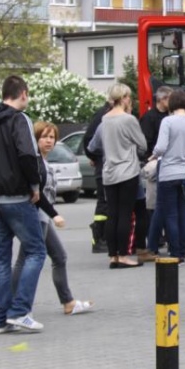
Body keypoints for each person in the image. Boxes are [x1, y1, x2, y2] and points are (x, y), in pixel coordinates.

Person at [0, 75, 47, 333]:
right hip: (16, 197)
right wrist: (35, 185)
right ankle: (20, 310)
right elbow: (27, 154)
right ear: (23, 93)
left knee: (0, 259)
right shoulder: (20, 120)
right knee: (36, 251)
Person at [12, 122, 94, 314]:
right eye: (44, 137)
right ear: (35, 139)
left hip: (43, 217)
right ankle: (14, 304)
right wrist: (54, 215)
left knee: (59, 256)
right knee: (26, 259)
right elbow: (36, 194)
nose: (49, 141)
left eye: (52, 137)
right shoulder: (35, 162)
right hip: (36, 217)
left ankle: (68, 302)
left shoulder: (44, 162)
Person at [88, 83, 146, 269]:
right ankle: (123, 256)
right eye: (129, 97)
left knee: (112, 214)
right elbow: (143, 144)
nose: (130, 100)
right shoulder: (129, 120)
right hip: (128, 172)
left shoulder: (104, 120)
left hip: (109, 173)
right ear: (123, 98)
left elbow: (92, 146)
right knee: (125, 214)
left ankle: (112, 256)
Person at [145, 89, 185, 260]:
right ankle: (183, 250)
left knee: (170, 215)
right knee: (183, 214)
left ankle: (175, 253)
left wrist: (153, 155)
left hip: (168, 172)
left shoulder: (167, 121)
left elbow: (161, 147)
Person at [83, 98, 112, 254]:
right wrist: (95, 157)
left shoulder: (105, 114)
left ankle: (104, 237)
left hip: (105, 165)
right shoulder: (102, 115)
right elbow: (88, 140)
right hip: (103, 166)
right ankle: (99, 238)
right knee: (103, 204)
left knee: (106, 204)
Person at [140, 86, 172, 214]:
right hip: (154, 163)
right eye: (170, 98)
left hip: (168, 161)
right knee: (154, 204)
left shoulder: (170, 116)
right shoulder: (149, 117)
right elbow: (145, 142)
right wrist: (149, 160)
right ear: (162, 99)